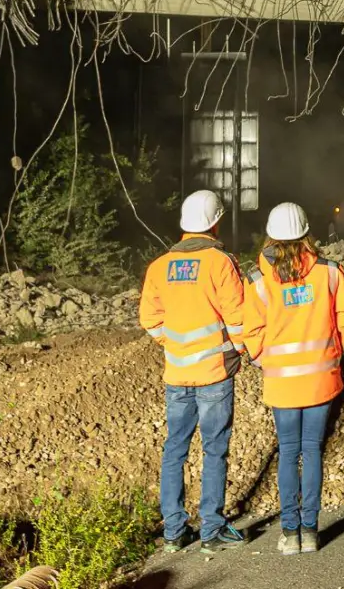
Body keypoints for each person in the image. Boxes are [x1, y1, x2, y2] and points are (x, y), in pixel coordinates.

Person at [242, 202, 344, 555]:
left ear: (270, 235)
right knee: (312, 450)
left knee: (289, 452)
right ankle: (310, 532)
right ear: (307, 232)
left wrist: (265, 361)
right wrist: (333, 354)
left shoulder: (259, 279)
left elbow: (251, 332)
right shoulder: (330, 273)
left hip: (282, 383)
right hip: (321, 378)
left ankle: (290, 533)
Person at [139, 189, 249, 554]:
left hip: (176, 375)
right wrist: (240, 351)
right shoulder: (220, 262)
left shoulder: (159, 266)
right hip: (214, 374)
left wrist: (173, 345)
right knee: (214, 451)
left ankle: (174, 532)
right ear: (215, 223)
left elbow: (149, 320)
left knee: (175, 450)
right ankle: (211, 530)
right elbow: (237, 318)